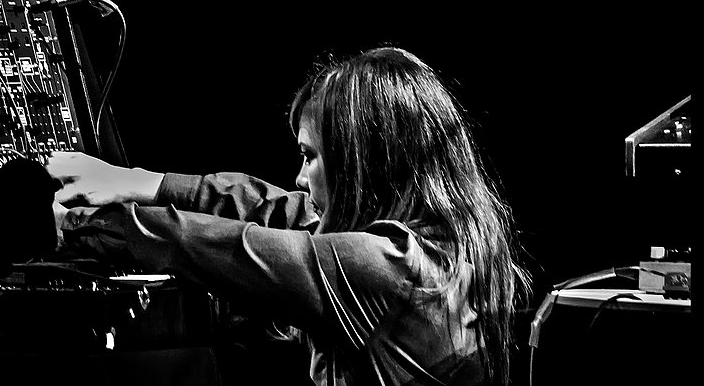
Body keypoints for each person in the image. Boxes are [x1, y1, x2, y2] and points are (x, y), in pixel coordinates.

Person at [46, 47, 530, 386]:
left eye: (310, 157)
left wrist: (78, 223)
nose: (299, 177)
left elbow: (221, 246)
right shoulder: (444, 244)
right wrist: (138, 181)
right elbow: (266, 205)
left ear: (363, 165)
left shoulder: (386, 268)